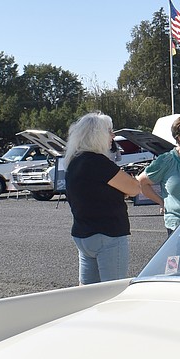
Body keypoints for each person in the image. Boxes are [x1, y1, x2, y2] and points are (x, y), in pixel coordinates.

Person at [65, 112, 143, 284]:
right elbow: (135, 188)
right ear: (97, 135)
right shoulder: (98, 162)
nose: (113, 136)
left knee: (87, 294)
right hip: (107, 233)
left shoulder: (73, 161)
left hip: (83, 234)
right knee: (112, 292)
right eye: (110, 131)